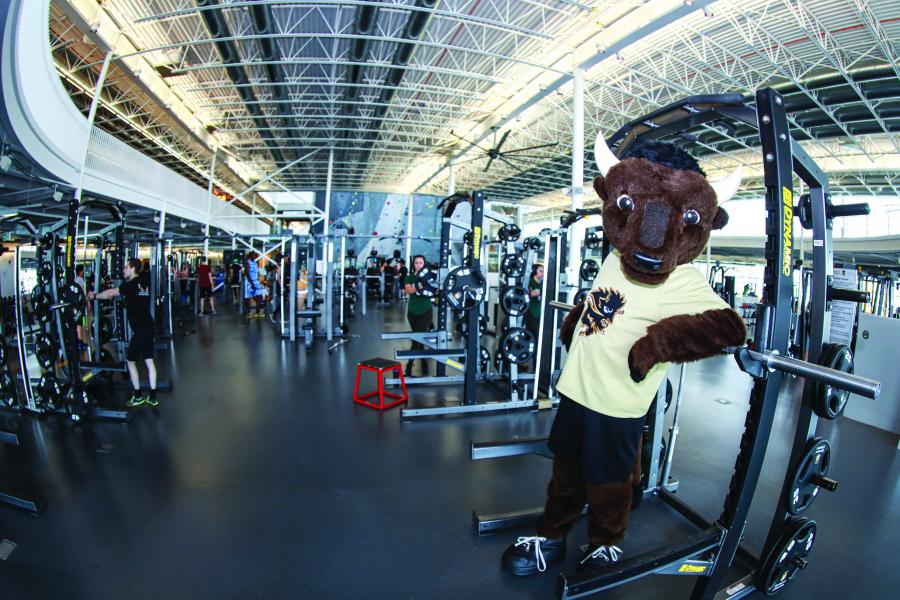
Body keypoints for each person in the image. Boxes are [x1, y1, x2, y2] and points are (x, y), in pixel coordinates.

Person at [89, 258, 158, 408]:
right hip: (149, 326)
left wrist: (94, 296)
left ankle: (138, 395)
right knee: (149, 361)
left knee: (130, 361)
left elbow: (111, 293)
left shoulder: (130, 285)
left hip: (140, 329)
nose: (124, 270)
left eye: (126, 268)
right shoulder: (144, 283)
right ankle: (153, 397)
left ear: (133, 269)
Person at [402, 255, 433, 377]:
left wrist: (423, 285)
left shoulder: (430, 277)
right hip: (412, 312)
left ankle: (409, 364)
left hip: (426, 311)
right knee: (419, 338)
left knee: (417, 337)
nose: (418, 265)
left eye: (421, 262)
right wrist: (420, 286)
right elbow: (408, 290)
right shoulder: (410, 277)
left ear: (424, 264)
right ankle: (424, 362)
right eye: (416, 262)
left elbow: (435, 290)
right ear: (413, 264)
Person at [524, 263, 543, 342]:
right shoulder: (530, 283)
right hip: (530, 313)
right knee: (533, 335)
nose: (543, 273)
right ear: (535, 272)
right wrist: (541, 291)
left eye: (544, 271)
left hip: (539, 314)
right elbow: (530, 293)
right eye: (540, 271)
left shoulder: (542, 284)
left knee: (539, 336)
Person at [243, 252, 265, 318]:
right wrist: (251, 283)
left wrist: (258, 280)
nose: (255, 255)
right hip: (249, 282)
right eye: (254, 255)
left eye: (256, 255)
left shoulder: (256, 263)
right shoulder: (247, 263)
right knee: (248, 297)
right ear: (250, 255)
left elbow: (257, 272)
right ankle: (249, 312)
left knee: (259, 296)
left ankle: (257, 311)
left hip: (256, 281)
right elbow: (247, 274)